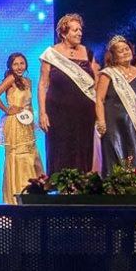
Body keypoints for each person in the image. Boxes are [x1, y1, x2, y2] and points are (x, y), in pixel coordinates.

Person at [38, 13, 100, 173]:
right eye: (75, 30)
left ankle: (82, 183)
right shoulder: (51, 54)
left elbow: (96, 83)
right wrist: (42, 113)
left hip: (84, 113)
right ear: (64, 33)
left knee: (83, 149)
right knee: (60, 150)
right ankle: (59, 184)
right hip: (58, 112)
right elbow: (43, 84)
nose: (79, 33)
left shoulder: (88, 53)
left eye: (80, 30)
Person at [0, 53, 45, 205]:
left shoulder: (28, 81)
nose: (19, 67)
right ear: (10, 66)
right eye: (15, 64)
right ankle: (17, 196)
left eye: (21, 63)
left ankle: (32, 195)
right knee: (18, 157)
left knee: (31, 155)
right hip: (14, 124)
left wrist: (32, 122)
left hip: (27, 123)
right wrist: (7, 110)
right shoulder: (10, 79)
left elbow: (30, 105)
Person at [94, 36, 136, 173]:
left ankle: (132, 185)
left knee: (132, 157)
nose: (126, 52)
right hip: (112, 124)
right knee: (113, 159)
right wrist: (101, 121)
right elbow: (99, 99)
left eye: (127, 49)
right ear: (114, 56)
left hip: (131, 124)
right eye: (121, 51)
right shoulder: (108, 74)